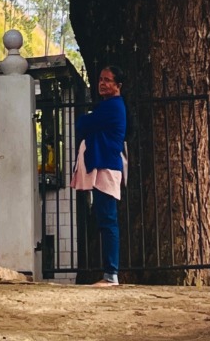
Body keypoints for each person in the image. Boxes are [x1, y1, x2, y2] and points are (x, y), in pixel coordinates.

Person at [73, 64, 127, 286]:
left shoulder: (112, 107)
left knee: (108, 219)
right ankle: (109, 273)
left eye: (107, 80)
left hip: (106, 166)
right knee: (105, 218)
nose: (102, 84)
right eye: (100, 80)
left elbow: (83, 123)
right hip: (104, 165)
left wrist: (90, 122)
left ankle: (111, 275)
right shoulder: (108, 107)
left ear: (118, 85)